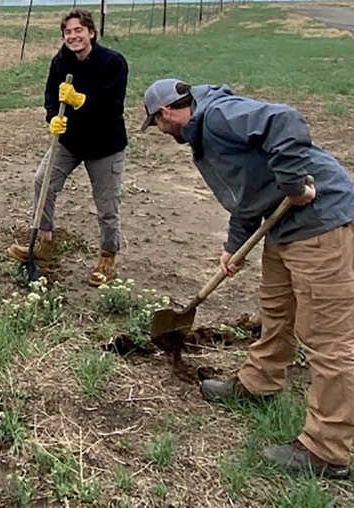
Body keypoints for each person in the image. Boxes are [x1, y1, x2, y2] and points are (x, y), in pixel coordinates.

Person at [141, 78, 354, 479]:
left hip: (320, 224)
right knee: (275, 311)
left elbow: (285, 122)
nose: (161, 133)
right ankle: (260, 383)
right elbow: (246, 191)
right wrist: (233, 246)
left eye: (157, 125)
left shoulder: (219, 116)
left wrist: (293, 185)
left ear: (165, 113)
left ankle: (326, 450)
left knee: (328, 339)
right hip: (284, 228)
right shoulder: (206, 132)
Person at [8, 9, 128, 287]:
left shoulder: (113, 63)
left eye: (78, 31)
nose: (73, 36)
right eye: (68, 32)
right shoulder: (61, 61)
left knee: (107, 204)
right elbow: (51, 97)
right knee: (42, 182)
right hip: (70, 141)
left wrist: (81, 101)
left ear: (91, 32)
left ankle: (107, 256)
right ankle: (45, 243)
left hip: (105, 145)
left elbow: (112, 108)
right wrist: (54, 118)